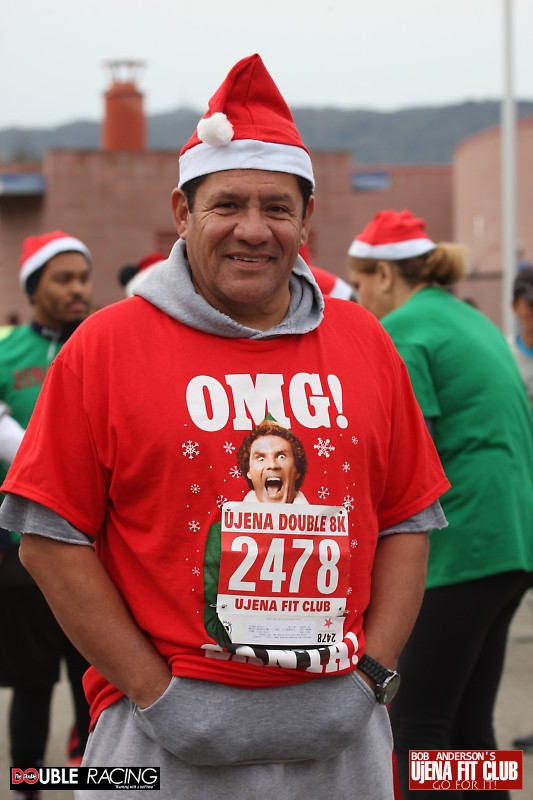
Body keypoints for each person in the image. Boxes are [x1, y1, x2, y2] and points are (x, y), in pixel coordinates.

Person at [1, 56, 450, 800]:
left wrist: (371, 675)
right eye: (227, 204)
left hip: (342, 747)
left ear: (307, 217)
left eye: (277, 207)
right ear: (183, 212)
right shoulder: (105, 347)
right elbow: (48, 536)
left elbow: (407, 518)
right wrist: (155, 694)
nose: (253, 229)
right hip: (158, 747)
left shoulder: (366, 342)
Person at [347, 209, 533, 799]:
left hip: (462, 545)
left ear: (382, 275)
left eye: (359, 282)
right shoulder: (466, 317)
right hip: (509, 541)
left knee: (419, 727)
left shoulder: (406, 329)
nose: (358, 297)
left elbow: (405, 460)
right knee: (471, 728)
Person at [0, 231, 93, 797]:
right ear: (34, 289)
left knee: (96, 684)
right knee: (32, 685)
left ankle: (98, 781)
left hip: (95, 552)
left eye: (83, 278)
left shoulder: (105, 342)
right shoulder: (6, 354)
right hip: (22, 553)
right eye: (64, 279)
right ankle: (29, 783)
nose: (78, 289)